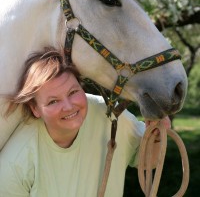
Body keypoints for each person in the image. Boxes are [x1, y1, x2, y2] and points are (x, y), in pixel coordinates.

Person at [0, 46, 170, 197]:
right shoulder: (15, 163)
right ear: (35, 109)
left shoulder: (108, 115)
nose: (68, 107)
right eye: (53, 101)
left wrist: (157, 135)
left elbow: (147, 162)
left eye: (73, 92)